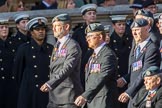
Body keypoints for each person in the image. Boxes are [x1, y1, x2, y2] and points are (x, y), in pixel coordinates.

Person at [40, 13, 83, 108]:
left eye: (57, 26)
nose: (54, 29)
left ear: (66, 26)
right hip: (54, 95)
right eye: (53, 26)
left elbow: (67, 68)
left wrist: (50, 83)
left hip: (67, 96)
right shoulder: (57, 45)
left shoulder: (72, 46)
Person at [118, 18, 161, 107]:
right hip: (134, 94)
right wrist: (125, 79)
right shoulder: (136, 48)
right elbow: (134, 70)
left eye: (137, 30)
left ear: (146, 29)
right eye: (133, 30)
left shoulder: (151, 49)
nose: (134, 33)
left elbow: (144, 73)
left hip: (142, 93)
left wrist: (129, 92)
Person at [74, 23, 119, 108]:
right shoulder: (93, 55)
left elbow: (102, 77)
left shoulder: (107, 55)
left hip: (104, 101)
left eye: (91, 36)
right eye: (87, 37)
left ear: (100, 37)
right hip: (93, 101)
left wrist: (85, 95)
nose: (87, 39)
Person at [13, 17, 53, 108]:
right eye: (37, 29)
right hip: (29, 93)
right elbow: (17, 73)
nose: (41, 31)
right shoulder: (24, 49)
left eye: (43, 29)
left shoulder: (50, 49)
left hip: (46, 91)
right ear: (31, 32)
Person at [109, 15, 133, 108]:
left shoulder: (130, 40)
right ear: (114, 26)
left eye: (123, 24)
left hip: (127, 78)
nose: (122, 26)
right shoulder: (110, 41)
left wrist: (126, 78)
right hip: (115, 80)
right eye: (119, 24)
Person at [72, 4, 97, 88]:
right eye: (89, 13)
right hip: (83, 67)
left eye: (94, 13)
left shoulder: (101, 31)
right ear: (84, 17)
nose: (92, 15)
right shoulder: (78, 33)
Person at [0, 18, 18, 108]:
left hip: (11, 83)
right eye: (1, 27)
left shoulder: (13, 43)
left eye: (6, 27)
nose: (4, 29)